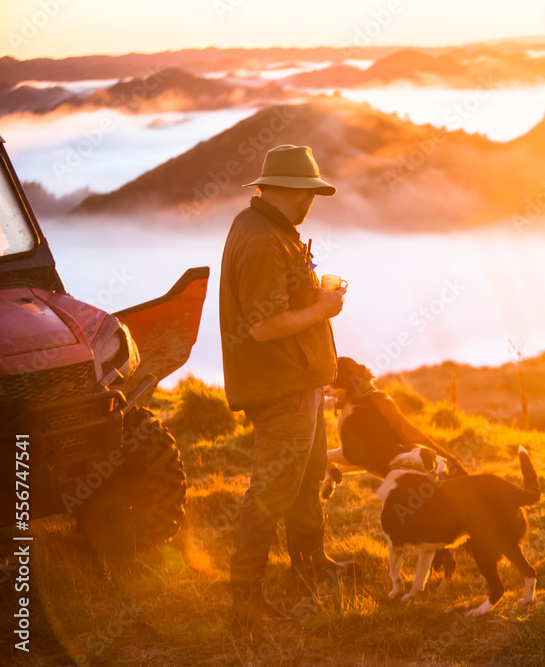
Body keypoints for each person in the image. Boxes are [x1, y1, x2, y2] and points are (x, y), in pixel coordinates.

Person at [219, 144, 355, 627]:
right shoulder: (261, 241)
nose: (312, 201)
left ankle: (309, 564)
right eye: (308, 192)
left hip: (302, 381)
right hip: (281, 386)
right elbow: (262, 325)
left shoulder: (272, 230)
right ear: (283, 189)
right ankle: (245, 600)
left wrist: (314, 295)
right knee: (272, 490)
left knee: (307, 477)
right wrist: (324, 308)